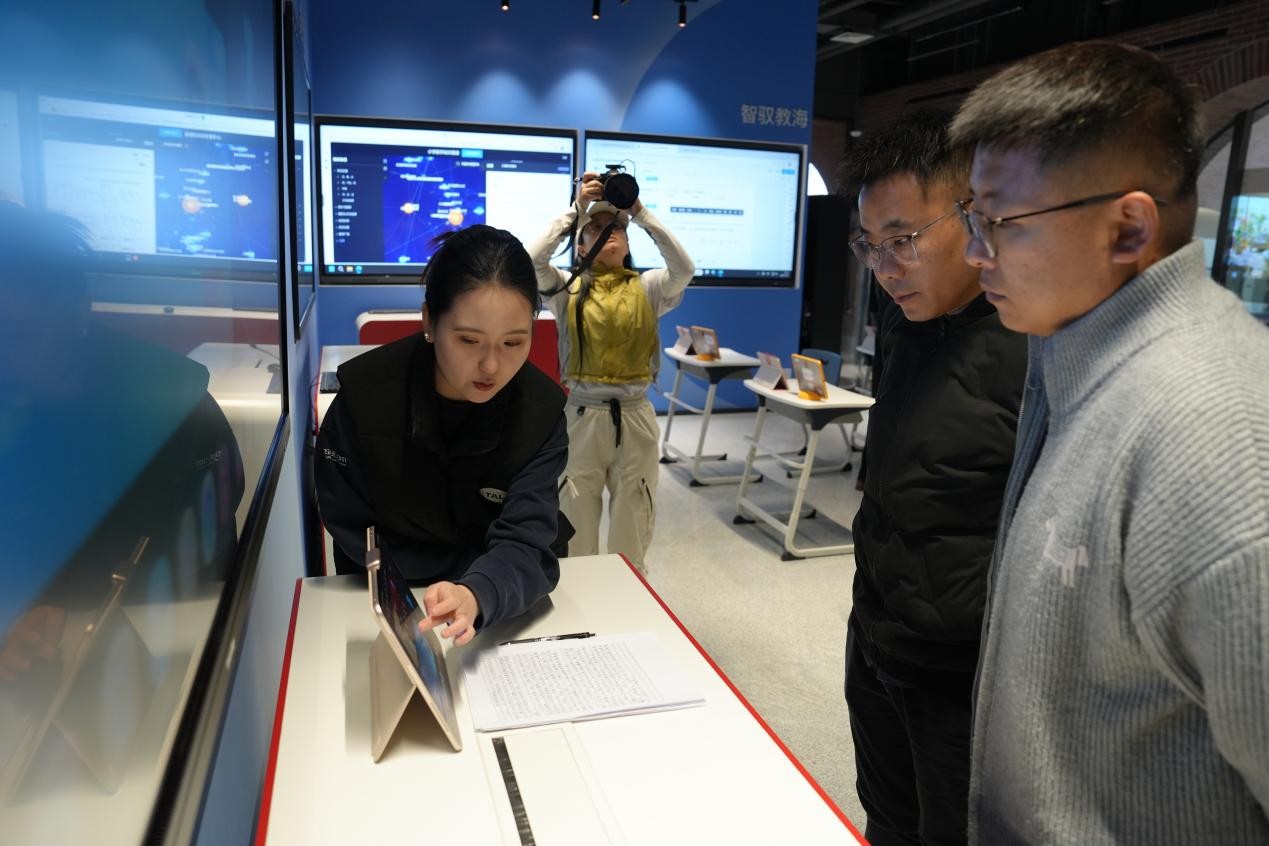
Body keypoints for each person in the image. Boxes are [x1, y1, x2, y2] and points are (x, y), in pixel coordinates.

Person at [949, 41, 1269, 843]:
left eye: (999, 223)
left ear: (1127, 228)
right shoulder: (1079, 353)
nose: (973, 251)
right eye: (971, 217)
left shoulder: (1215, 435)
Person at [838, 112, 1027, 846]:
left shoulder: (1033, 340)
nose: (885, 268)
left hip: (962, 668)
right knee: (886, 818)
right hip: (876, 629)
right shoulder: (901, 318)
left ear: (971, 213)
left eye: (904, 239)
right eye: (869, 244)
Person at [316, 225, 569, 646]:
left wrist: (476, 592)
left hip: (495, 604)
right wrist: (453, 575)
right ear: (429, 321)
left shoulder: (540, 414)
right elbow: (350, 526)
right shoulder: (366, 397)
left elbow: (528, 538)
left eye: (513, 343)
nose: (491, 366)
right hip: (384, 606)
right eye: (469, 340)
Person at [528, 174, 694, 573]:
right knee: (575, 516)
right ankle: (580, 594)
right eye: (597, 228)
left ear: (629, 241)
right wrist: (576, 212)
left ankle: (629, 591)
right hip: (582, 414)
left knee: (632, 520)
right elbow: (531, 260)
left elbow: (684, 268)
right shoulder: (567, 288)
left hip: (635, 414)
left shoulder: (649, 287)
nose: (610, 231)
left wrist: (639, 212)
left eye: (616, 226)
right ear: (581, 246)